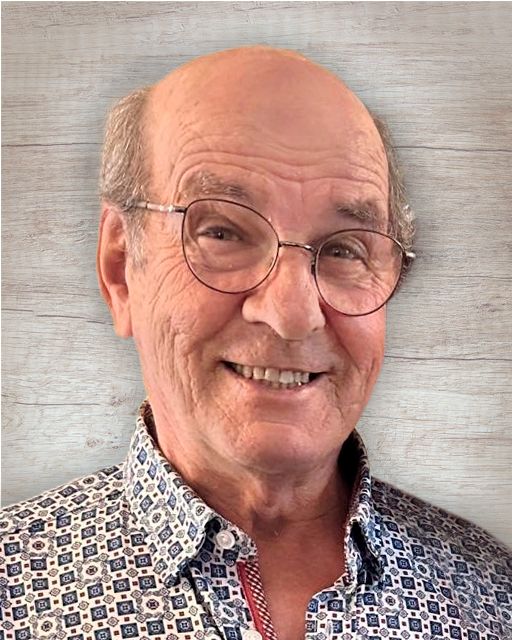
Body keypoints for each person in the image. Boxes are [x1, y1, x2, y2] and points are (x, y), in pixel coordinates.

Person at [1, 46, 510, 640]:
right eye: (222, 232)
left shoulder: (491, 596)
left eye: (345, 249)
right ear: (121, 270)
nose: (293, 315)